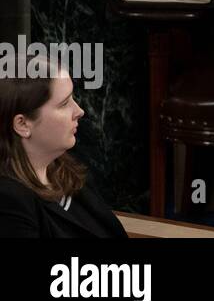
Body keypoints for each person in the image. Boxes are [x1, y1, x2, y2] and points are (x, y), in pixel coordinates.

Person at [0, 66, 127, 238]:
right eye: (64, 103)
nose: (79, 111)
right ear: (23, 124)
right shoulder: (9, 201)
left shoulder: (63, 166)